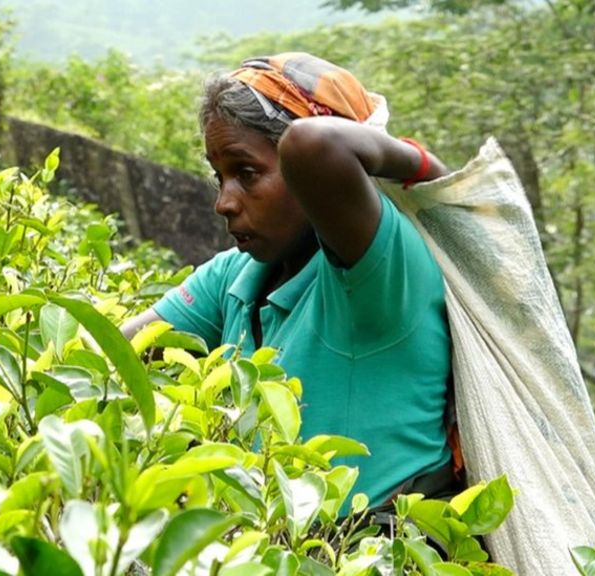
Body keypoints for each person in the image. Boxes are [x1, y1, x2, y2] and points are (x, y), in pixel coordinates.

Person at [121, 52, 464, 514]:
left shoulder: (380, 272)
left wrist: (426, 171)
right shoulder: (237, 275)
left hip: (375, 554)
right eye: (219, 176)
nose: (224, 202)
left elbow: (312, 141)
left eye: (247, 173)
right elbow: (115, 354)